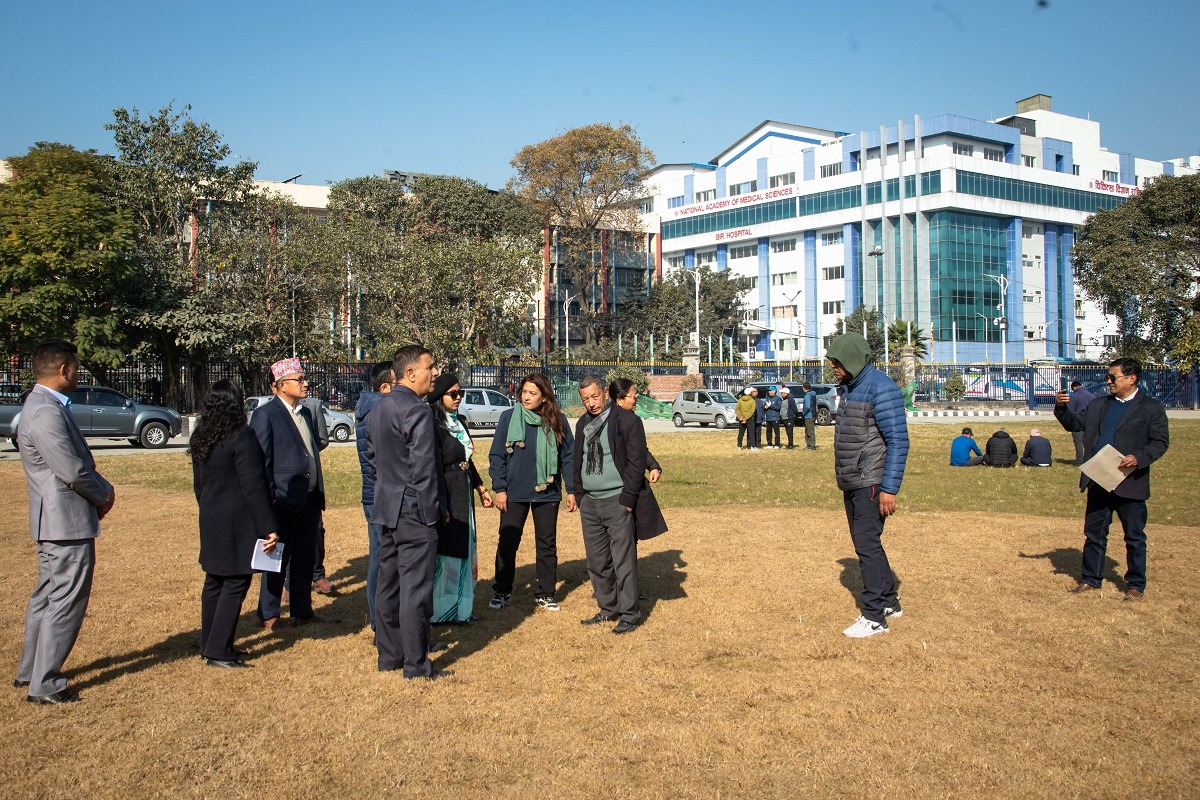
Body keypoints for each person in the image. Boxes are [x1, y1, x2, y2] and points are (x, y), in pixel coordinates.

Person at [14, 339, 115, 704]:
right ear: (63, 370)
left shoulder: (41, 405)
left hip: (55, 521)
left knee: (47, 595)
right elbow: (72, 470)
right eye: (75, 367)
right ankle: (46, 681)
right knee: (65, 599)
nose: (78, 373)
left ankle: (31, 671)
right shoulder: (45, 411)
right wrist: (103, 493)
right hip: (64, 522)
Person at [1055, 358, 1169, 601]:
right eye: (1108, 376)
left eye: (1113, 377)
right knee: (1094, 534)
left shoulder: (1151, 407)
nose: (1108, 381)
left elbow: (1160, 443)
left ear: (1131, 378)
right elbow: (1075, 424)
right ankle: (1090, 579)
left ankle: (1136, 585)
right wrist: (1062, 408)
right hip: (1099, 480)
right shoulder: (1099, 405)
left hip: (1130, 482)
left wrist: (1138, 458)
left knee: (1134, 537)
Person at [368, 345, 450, 679]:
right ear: (411, 372)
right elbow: (424, 470)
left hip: (388, 507)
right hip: (414, 510)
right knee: (415, 589)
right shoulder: (416, 411)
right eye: (430, 367)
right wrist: (431, 513)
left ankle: (389, 656)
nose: (435, 373)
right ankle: (416, 664)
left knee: (388, 584)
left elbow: (374, 462)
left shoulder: (380, 408)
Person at [191, 379, 279, 668]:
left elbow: (199, 484)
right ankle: (218, 649)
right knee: (235, 581)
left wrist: (207, 506)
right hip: (237, 517)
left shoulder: (201, 435)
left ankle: (211, 642)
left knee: (214, 580)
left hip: (211, 514)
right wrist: (268, 525)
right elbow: (254, 485)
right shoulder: (242, 435)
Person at [826, 332, 909, 638]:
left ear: (852, 359)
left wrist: (889, 488)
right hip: (854, 479)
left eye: (837, 362)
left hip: (871, 481)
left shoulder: (882, 389)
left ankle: (873, 616)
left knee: (866, 547)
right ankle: (889, 601)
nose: (833, 367)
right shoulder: (851, 387)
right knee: (870, 543)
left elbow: (898, 442)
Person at [574, 376, 667, 634]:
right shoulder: (582, 423)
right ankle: (607, 608)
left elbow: (637, 462)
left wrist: (627, 500)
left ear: (605, 393)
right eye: (585, 399)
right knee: (597, 561)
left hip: (617, 501)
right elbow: (577, 459)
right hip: (590, 503)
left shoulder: (628, 421)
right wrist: (580, 495)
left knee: (623, 560)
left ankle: (629, 613)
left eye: (594, 397)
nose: (591, 403)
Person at [251, 357, 337, 630]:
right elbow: (260, 463)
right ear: (279, 385)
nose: (305, 383)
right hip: (283, 501)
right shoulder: (265, 415)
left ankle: (302, 611)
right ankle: (269, 614)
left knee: (304, 558)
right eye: (299, 379)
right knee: (277, 560)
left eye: (303, 378)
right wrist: (271, 500)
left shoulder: (305, 413)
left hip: (309, 499)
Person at [487, 373, 577, 612]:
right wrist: (500, 488)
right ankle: (503, 590)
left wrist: (572, 489)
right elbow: (497, 455)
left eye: (532, 393)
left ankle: (546, 593)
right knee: (508, 542)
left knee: (547, 544)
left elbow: (569, 457)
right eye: (524, 392)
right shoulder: (508, 418)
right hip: (514, 492)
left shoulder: (559, 420)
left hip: (548, 492)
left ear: (545, 398)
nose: (526, 397)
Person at [427, 373, 493, 623]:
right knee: (448, 551)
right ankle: (442, 612)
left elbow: (468, 460)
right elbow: (433, 465)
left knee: (465, 547)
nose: (458, 398)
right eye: (452, 394)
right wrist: (439, 501)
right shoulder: (434, 424)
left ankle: (462, 608)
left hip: (463, 490)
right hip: (447, 491)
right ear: (439, 396)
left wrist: (481, 488)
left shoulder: (459, 422)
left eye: (460, 393)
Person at [355, 361, 394, 630]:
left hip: (375, 493)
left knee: (379, 556)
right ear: (384, 387)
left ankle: (381, 619)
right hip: (380, 494)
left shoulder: (370, 408)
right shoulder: (379, 411)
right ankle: (381, 622)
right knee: (382, 560)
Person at [298, 392, 334, 596]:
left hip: (311, 483)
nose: (305, 384)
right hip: (289, 487)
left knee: (316, 529)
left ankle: (317, 573)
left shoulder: (311, 406)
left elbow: (321, 438)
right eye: (299, 379)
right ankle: (287, 583)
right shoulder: (269, 412)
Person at [1067, 380, 1097, 466]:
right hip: (1090, 421)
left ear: (1073, 388)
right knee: (1088, 442)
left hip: (1078, 422)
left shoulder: (1074, 396)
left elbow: (1070, 411)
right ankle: (1090, 460)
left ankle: (1079, 461)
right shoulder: (1091, 395)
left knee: (1078, 443)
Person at [801, 382, 818, 450]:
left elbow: (807, 406)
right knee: (810, 430)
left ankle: (811, 445)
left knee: (809, 431)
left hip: (809, 415)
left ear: (804, 388)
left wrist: (803, 413)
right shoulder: (813, 394)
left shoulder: (807, 395)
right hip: (813, 414)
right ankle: (809, 445)